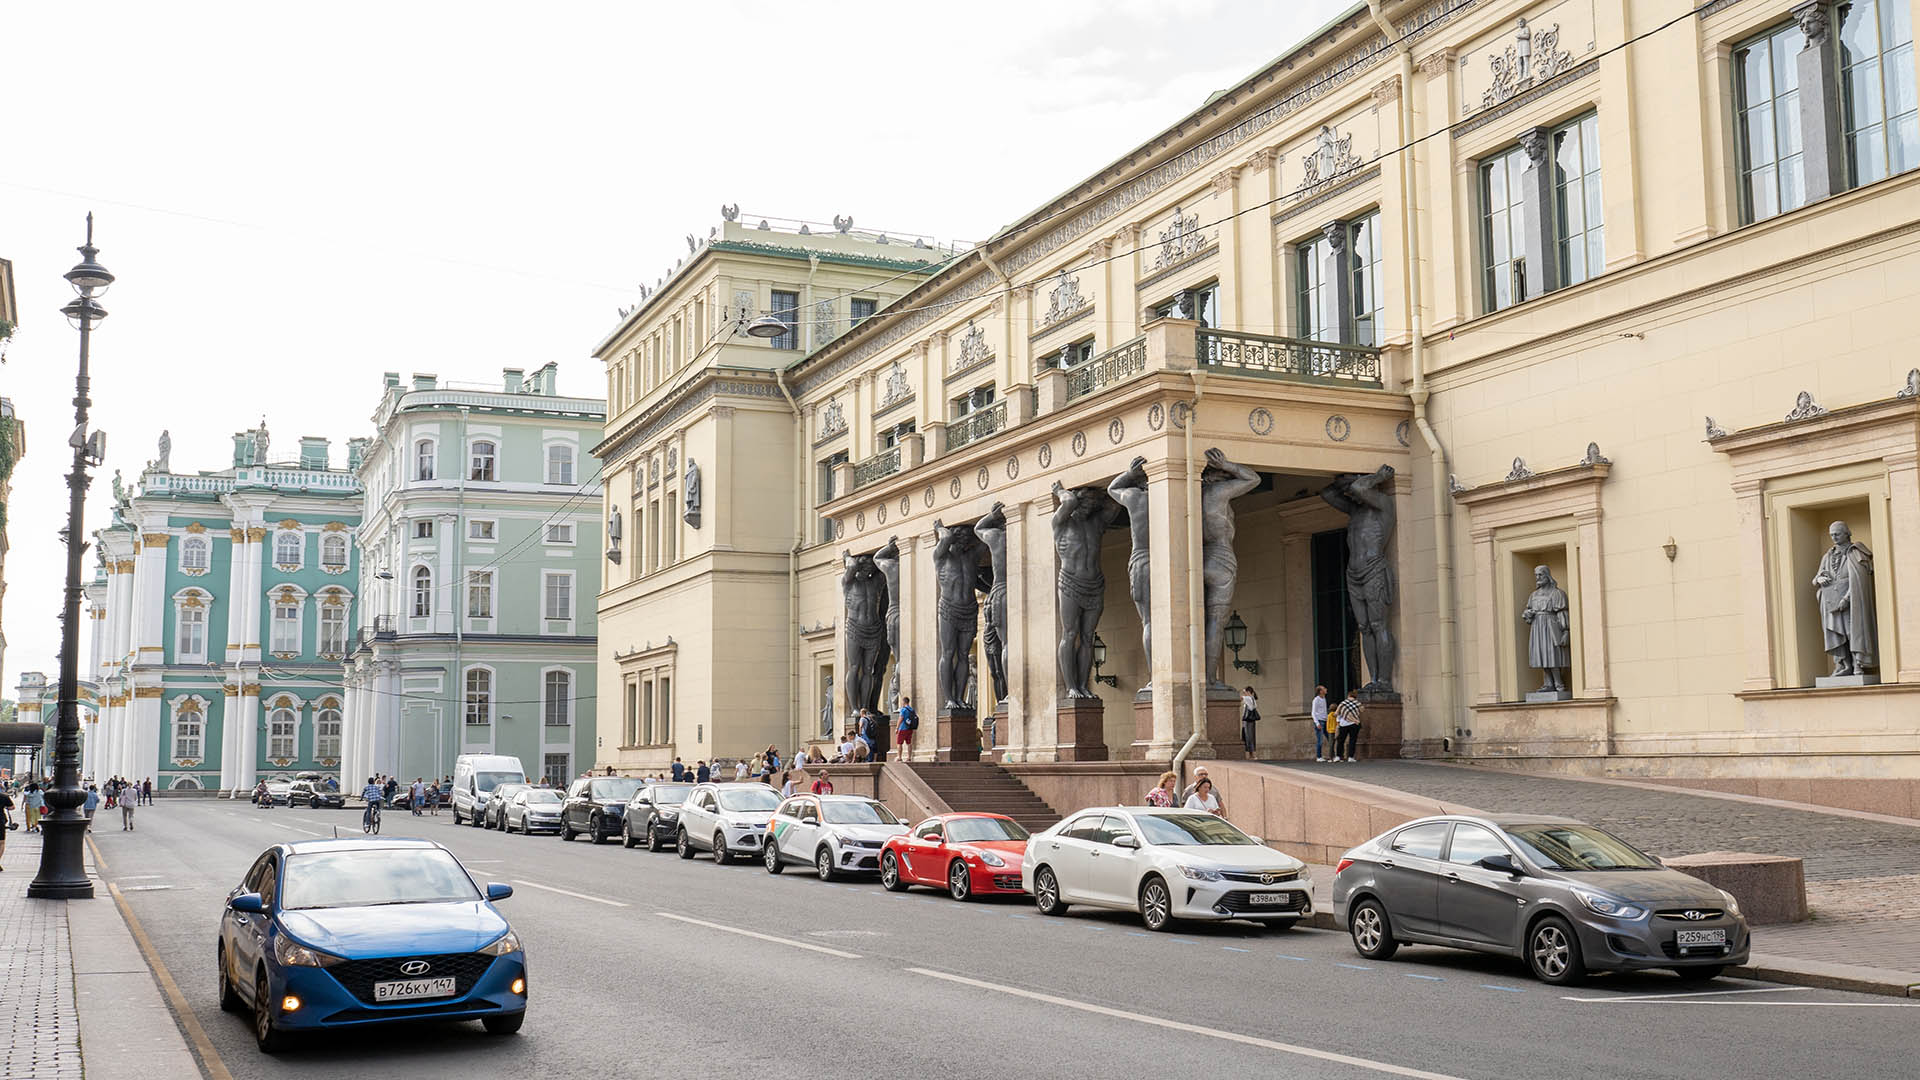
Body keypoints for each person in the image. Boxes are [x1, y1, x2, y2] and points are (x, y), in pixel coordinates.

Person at [1334, 689, 1363, 762]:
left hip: (1344, 724)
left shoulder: (1343, 703)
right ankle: (1350, 757)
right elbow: (1362, 710)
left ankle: (1338, 756)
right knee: (1352, 740)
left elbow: (1336, 713)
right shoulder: (1358, 703)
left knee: (1341, 741)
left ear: (1348, 696)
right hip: (1354, 723)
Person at [1310, 685, 1331, 763]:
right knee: (1320, 740)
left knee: (1330, 738)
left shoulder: (1324, 699)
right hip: (1319, 721)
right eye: (1324, 689)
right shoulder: (1316, 700)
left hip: (1325, 720)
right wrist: (1317, 723)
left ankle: (1332, 755)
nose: (1326, 689)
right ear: (1320, 691)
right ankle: (1319, 756)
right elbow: (1313, 712)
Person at [896, 697, 919, 762]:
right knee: (909, 743)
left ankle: (899, 757)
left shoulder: (903, 710)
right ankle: (909, 757)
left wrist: (897, 727)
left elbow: (901, 718)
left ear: (904, 702)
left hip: (903, 728)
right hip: (910, 728)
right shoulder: (912, 710)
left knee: (899, 743)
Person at [1239, 686, 1260, 757]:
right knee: (1251, 737)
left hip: (1247, 721)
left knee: (1247, 737)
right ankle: (1253, 754)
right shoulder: (1253, 699)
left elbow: (1239, 698)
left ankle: (1249, 755)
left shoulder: (1248, 698)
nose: (1243, 693)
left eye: (1244, 692)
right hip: (1251, 720)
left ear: (1248, 692)